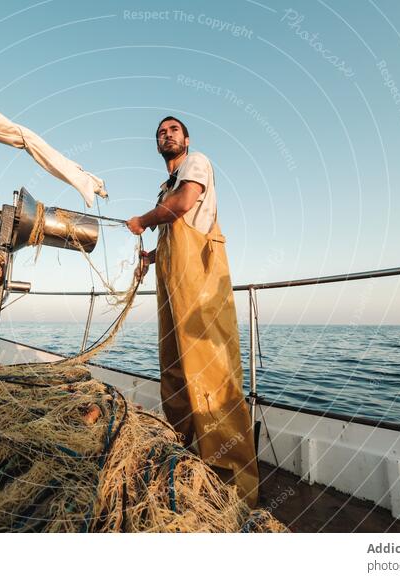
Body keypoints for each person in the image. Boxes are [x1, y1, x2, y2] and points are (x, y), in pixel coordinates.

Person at [126, 116, 259, 507]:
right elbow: (171, 225)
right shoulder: (164, 186)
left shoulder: (195, 164)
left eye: (173, 131)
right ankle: (185, 452)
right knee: (174, 367)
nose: (167, 135)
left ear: (186, 139)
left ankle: (233, 483)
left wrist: (141, 221)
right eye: (161, 133)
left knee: (211, 369)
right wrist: (151, 255)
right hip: (170, 278)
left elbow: (183, 206)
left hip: (198, 277)